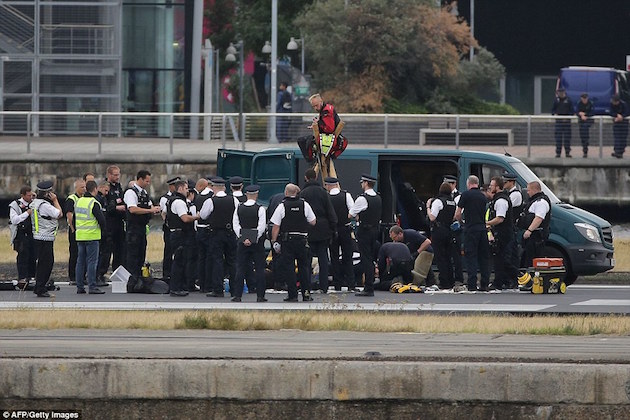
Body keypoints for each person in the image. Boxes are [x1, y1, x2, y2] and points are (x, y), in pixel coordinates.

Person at [270, 183, 316, 302]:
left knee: (289, 268)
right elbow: (313, 221)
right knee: (304, 268)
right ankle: (306, 294)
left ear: (286, 193)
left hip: (287, 240)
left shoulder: (282, 206)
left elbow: (276, 226)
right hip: (302, 240)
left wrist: (274, 241)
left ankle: (292, 295)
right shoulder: (304, 204)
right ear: (296, 193)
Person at [199, 177, 240, 298]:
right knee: (232, 261)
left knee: (217, 261)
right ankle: (234, 289)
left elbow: (203, 215)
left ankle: (217, 289)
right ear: (224, 187)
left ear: (214, 187)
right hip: (231, 232)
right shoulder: (234, 200)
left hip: (216, 233)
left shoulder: (211, 201)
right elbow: (238, 215)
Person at [299, 169, 337, 293]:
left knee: (307, 259)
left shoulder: (303, 193)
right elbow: (330, 211)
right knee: (323, 258)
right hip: (323, 228)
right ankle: (324, 286)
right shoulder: (323, 192)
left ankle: (307, 285)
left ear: (306, 177)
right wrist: (332, 228)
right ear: (316, 177)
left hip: (308, 229)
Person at [232, 185, 268, 302]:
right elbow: (261, 227)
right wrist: (253, 238)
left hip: (242, 242)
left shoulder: (239, 207)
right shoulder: (260, 209)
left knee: (240, 268)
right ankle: (260, 295)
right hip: (257, 243)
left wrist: (243, 238)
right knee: (259, 269)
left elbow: (235, 225)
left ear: (246, 195)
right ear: (256, 195)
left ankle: (237, 295)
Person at [455, 175, 491, 292]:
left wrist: (461, 222)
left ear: (469, 184)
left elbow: (458, 213)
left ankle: (472, 284)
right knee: (484, 257)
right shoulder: (483, 196)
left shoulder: (465, 195)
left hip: (471, 229)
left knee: (471, 256)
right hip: (482, 229)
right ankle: (484, 284)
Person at [123, 170, 161, 280]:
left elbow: (150, 206)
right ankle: (133, 279)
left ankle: (140, 278)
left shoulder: (144, 193)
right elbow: (133, 209)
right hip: (133, 228)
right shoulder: (131, 192)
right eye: (146, 181)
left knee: (141, 254)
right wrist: (150, 210)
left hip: (142, 228)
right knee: (133, 255)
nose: (148, 184)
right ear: (140, 179)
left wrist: (155, 209)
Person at [349, 174, 382, 297]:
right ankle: (370, 283)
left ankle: (368, 287)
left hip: (365, 230)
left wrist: (358, 216)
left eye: (362, 182)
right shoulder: (378, 198)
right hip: (375, 230)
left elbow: (350, 214)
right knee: (371, 258)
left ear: (366, 183)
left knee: (366, 258)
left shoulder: (362, 199)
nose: (361, 184)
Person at [166, 179, 200, 297]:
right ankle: (175, 288)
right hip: (179, 235)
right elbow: (185, 218)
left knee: (181, 260)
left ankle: (180, 286)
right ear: (180, 188)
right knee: (179, 262)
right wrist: (197, 217)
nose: (187, 191)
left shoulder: (171, 200)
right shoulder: (179, 202)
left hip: (176, 233)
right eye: (186, 189)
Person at [29, 181, 62, 298]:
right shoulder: (44, 205)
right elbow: (59, 214)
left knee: (42, 263)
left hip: (38, 235)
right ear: (47, 194)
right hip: (45, 237)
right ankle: (41, 288)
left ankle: (39, 286)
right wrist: (55, 200)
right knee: (46, 264)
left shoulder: (34, 203)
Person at [485, 176, 519, 290]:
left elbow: (500, 218)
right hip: (500, 233)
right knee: (499, 259)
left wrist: (487, 223)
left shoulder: (501, 201)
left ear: (498, 187)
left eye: (492, 185)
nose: (490, 187)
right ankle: (498, 282)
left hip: (504, 234)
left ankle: (521, 278)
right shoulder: (497, 199)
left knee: (504, 260)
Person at [74, 180, 107, 294]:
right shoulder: (94, 202)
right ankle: (92, 286)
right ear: (95, 189)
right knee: (92, 262)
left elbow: (74, 218)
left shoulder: (78, 201)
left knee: (80, 262)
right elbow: (101, 220)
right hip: (92, 236)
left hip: (80, 236)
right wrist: (104, 231)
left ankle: (80, 287)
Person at [428, 182, 462, 289]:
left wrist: (428, 207)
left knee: (440, 257)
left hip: (439, 231)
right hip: (449, 231)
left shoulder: (438, 201)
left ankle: (444, 281)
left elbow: (432, 217)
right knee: (448, 257)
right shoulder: (452, 202)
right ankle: (451, 280)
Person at [324, 177, 356, 291]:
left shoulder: (326, 197)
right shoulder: (346, 195)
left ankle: (337, 283)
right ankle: (351, 284)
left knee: (334, 257)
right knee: (348, 256)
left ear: (328, 185)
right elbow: (352, 210)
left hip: (332, 230)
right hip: (345, 228)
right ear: (337, 184)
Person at [98, 165, 126, 280]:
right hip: (109, 223)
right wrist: (116, 206)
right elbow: (107, 206)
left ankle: (117, 272)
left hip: (119, 222)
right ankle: (100, 273)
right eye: (115, 175)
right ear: (109, 175)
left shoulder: (119, 187)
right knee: (106, 250)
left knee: (120, 249)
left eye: (118, 174)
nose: (117, 177)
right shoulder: (105, 188)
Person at [519, 181, 551, 269]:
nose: (528, 192)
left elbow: (539, 218)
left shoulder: (541, 202)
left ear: (534, 190)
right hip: (533, 236)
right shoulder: (535, 201)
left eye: (529, 190)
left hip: (536, 237)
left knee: (533, 260)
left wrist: (529, 230)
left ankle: (534, 280)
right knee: (527, 259)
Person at [8, 186, 36, 287]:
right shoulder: (15, 205)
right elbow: (15, 220)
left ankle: (31, 276)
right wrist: (27, 213)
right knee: (23, 256)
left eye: (31, 195)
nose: (30, 197)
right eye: (28, 196)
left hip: (32, 233)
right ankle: (22, 277)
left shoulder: (33, 203)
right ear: (22, 195)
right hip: (21, 235)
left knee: (33, 255)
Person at [65, 179, 86, 285]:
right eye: (82, 187)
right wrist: (73, 228)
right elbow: (69, 215)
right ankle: (72, 277)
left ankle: (82, 276)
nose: (84, 189)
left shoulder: (85, 198)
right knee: (74, 253)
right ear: (76, 188)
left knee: (83, 254)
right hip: (75, 230)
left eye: (85, 187)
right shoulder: (72, 199)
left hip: (83, 230)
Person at [159, 177, 181, 283]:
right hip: (169, 228)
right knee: (168, 251)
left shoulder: (179, 198)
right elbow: (164, 213)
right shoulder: (165, 198)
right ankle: (166, 273)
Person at [193, 177, 213, 293]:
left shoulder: (198, 197)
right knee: (210, 258)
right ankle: (209, 284)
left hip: (199, 230)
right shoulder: (211, 197)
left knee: (201, 258)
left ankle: (202, 283)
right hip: (208, 230)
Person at [551, 87, 574, 158]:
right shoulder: (556, 100)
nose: (560, 94)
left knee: (567, 138)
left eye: (562, 92)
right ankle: (558, 153)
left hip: (567, 122)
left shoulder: (568, 100)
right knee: (558, 138)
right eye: (559, 92)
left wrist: (567, 117)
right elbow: (552, 110)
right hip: (559, 122)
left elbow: (572, 111)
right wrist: (555, 114)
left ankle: (567, 152)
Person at [609, 94, 628, 158]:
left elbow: (627, 112)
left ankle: (621, 151)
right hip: (616, 123)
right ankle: (617, 151)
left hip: (624, 123)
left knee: (623, 138)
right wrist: (617, 115)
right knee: (617, 137)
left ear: (617, 101)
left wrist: (622, 116)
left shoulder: (624, 104)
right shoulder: (611, 104)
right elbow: (611, 112)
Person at [576, 93, 594, 158]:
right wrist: (580, 115)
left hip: (588, 121)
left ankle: (585, 149)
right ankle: (584, 148)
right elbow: (576, 111)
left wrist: (585, 114)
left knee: (585, 130)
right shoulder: (579, 103)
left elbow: (592, 112)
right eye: (583, 98)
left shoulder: (590, 103)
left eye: (585, 98)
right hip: (581, 121)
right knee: (582, 135)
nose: (584, 100)